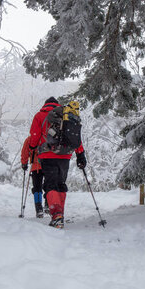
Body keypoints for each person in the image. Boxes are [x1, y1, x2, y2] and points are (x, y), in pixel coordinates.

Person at [28, 97, 86, 228]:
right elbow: (74, 135)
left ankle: (57, 215)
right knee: (60, 184)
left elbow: (35, 135)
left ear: (45, 105)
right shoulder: (66, 115)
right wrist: (80, 154)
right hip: (65, 155)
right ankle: (60, 214)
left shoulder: (39, 115)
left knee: (50, 185)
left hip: (48, 155)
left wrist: (32, 148)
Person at [20, 135, 44, 218]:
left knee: (37, 187)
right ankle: (48, 205)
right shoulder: (47, 136)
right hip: (48, 165)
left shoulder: (30, 139)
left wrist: (24, 163)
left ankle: (39, 208)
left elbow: (25, 152)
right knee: (49, 185)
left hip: (35, 166)